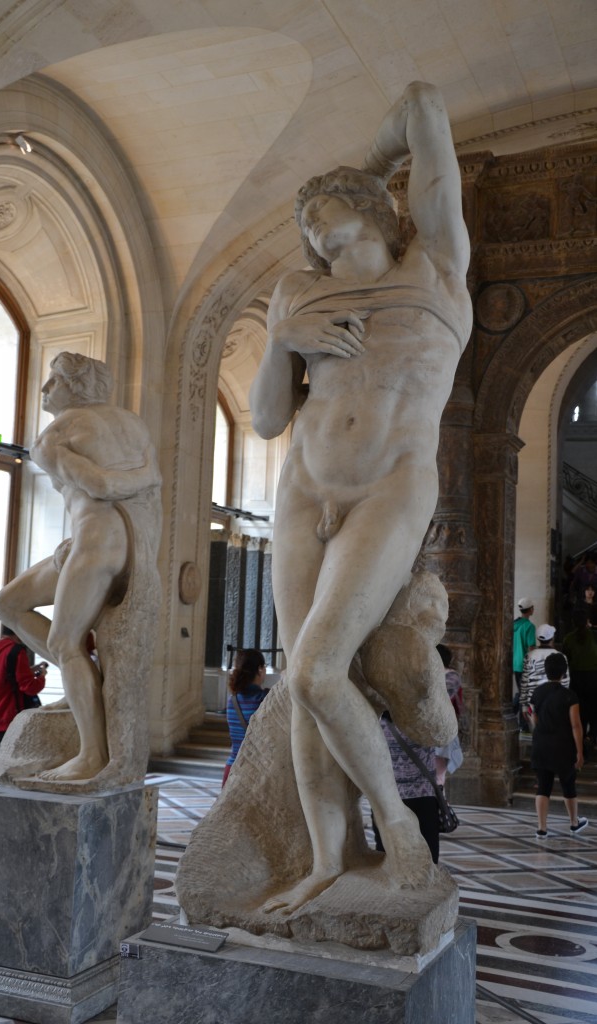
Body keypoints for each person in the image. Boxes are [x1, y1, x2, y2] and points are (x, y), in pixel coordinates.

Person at [249, 81, 472, 913]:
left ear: (379, 210)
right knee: (297, 685)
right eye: (306, 227)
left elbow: (425, 104)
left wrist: (360, 172)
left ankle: (399, 829)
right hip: (304, 487)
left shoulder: (436, 266)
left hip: (390, 481)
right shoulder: (293, 295)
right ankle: (328, 858)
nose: (311, 232)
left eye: (327, 216)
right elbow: (269, 415)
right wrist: (280, 340)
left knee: (317, 667)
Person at [0, 351, 162, 783]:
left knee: (65, 643)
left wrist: (134, 481)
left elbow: (99, 485)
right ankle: (83, 681)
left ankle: (91, 754)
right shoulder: (133, 424)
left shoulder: (54, 435)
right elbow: (148, 492)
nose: (47, 389)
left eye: (54, 381)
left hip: (98, 540)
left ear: (76, 386)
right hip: (127, 545)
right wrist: (147, 475)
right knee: (9, 603)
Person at [530, 652, 587, 839]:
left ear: (545, 671)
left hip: (541, 744)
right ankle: (573, 823)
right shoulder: (569, 696)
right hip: (563, 746)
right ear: (564, 672)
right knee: (568, 785)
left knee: (543, 786)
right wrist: (580, 751)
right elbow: (576, 725)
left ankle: (541, 828)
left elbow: (534, 718)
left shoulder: (537, 692)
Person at [373, 715, 440, 864]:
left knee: (387, 855)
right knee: (427, 857)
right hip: (421, 794)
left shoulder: (374, 721)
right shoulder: (423, 718)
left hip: (385, 795)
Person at [0, 626, 46, 760]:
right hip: (6, 716)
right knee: (9, 769)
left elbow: (5, 676)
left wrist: (29, 670)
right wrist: (42, 676)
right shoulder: (16, 651)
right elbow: (29, 687)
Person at [223, 648, 268, 787]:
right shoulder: (265, 699)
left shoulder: (232, 700)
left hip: (231, 770)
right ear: (260, 669)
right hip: (254, 771)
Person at [520, 624, 570, 727]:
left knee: (537, 734)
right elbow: (565, 682)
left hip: (532, 704)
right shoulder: (561, 656)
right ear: (552, 638)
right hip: (556, 703)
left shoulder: (529, 656)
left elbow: (524, 682)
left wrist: (524, 706)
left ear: (538, 638)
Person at [562, 610, 597, 753]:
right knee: (594, 709)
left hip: (576, 678)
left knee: (579, 710)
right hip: (594, 677)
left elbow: (566, 660)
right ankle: (592, 737)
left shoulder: (568, 638)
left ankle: (580, 742)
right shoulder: (594, 636)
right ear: (587, 621)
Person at [434, 643, 464, 787]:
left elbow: (441, 698)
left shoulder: (451, 676)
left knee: (438, 775)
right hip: (427, 729)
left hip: (442, 728)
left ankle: (438, 804)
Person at [513, 598, 536, 689]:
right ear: (530, 609)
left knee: (520, 690)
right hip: (524, 665)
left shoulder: (514, 624)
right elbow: (531, 648)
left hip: (515, 663)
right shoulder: (530, 626)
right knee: (525, 693)